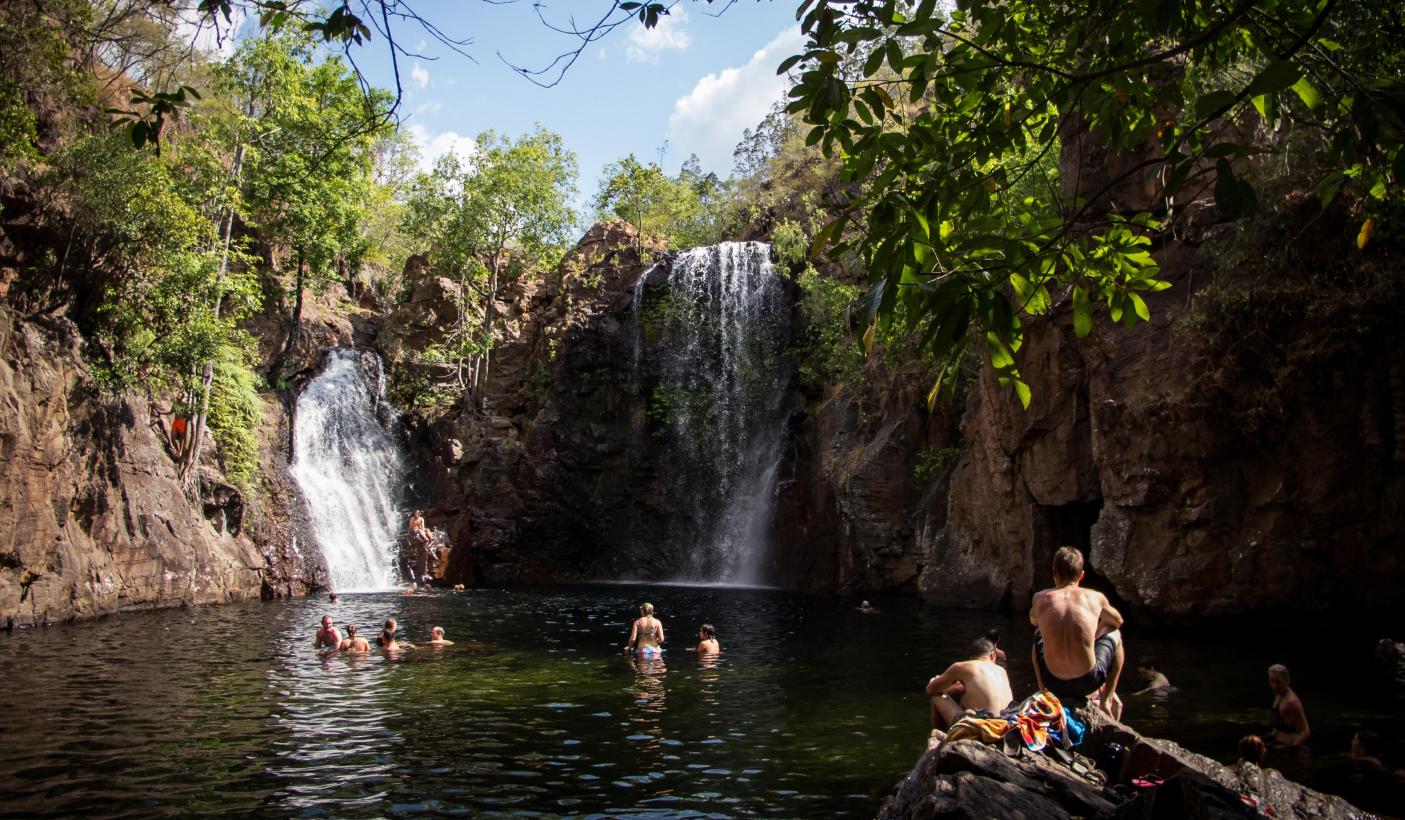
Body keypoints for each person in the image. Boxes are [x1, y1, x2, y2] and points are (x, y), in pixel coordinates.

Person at [1030, 546, 1126, 720]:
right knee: (1115, 633)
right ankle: (1107, 699)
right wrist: (1097, 632)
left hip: (1053, 681)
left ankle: (1043, 692)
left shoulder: (1040, 598)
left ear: (1054, 573)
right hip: (1088, 681)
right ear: (1081, 575)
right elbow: (1118, 621)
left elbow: (1033, 620)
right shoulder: (1095, 597)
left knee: (1038, 633)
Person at [925, 636, 1015, 729]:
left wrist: (934, 681)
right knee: (965, 696)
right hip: (1007, 725)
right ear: (992, 655)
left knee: (936, 697)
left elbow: (930, 690)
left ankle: (940, 737)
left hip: (986, 727)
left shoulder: (962, 666)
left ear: (971, 658)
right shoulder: (1002, 671)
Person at [1268, 664, 1310, 746]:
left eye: (1278, 682)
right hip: (1277, 742)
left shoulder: (1292, 702)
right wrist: (1270, 735)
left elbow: (1306, 732)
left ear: (1287, 681)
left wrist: (1291, 749)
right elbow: (1279, 721)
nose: (1274, 686)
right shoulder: (1279, 693)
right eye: (1271, 681)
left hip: (1288, 747)